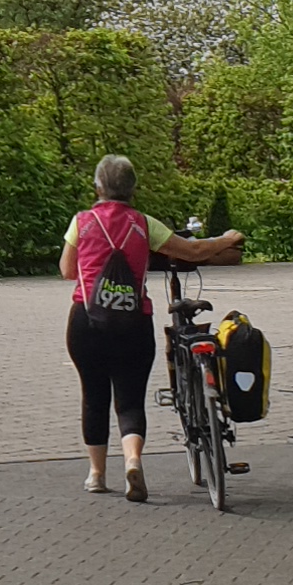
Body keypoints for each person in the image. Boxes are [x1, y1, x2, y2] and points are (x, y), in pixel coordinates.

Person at [63, 154, 242, 500]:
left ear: (98, 186)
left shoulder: (81, 221)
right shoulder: (143, 224)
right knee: (130, 400)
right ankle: (133, 461)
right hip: (133, 323)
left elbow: (67, 269)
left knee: (94, 397)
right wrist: (226, 238)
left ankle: (97, 475)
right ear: (133, 189)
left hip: (86, 322)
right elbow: (191, 250)